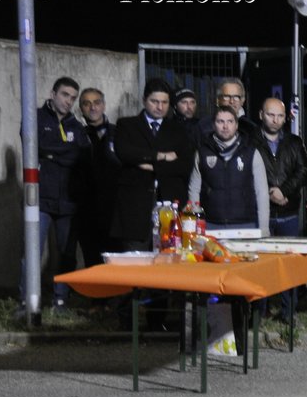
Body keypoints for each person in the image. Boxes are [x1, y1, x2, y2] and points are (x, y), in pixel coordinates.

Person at [110, 79, 194, 250]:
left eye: (164, 102)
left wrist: (153, 166)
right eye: (154, 101)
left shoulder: (177, 130)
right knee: (135, 259)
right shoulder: (127, 125)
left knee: (169, 258)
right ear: (144, 100)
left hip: (169, 203)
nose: (160, 107)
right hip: (135, 206)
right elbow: (125, 153)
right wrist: (160, 155)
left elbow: (184, 165)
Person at [35, 76, 87, 311]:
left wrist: (52, 154)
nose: (69, 101)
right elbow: (36, 146)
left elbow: (80, 156)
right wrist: (63, 153)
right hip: (41, 198)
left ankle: (61, 299)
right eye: (65, 95)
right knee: (33, 251)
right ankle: (29, 299)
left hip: (68, 200)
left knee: (66, 253)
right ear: (53, 93)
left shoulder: (76, 126)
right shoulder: (36, 117)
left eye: (73, 98)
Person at [188, 107, 269, 235]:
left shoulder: (251, 152)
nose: (225, 126)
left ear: (236, 125)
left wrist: (264, 228)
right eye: (220, 122)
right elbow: (194, 189)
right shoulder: (202, 152)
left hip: (245, 224)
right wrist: (195, 223)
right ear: (213, 125)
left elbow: (262, 192)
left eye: (230, 122)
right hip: (211, 223)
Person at [71, 88, 120, 278]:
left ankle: (118, 300)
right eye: (87, 103)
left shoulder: (119, 132)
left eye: (97, 102)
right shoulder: (78, 136)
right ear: (81, 109)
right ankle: (98, 302)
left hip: (114, 206)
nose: (93, 107)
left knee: (115, 255)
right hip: (87, 208)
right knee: (92, 255)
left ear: (104, 105)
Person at [255, 97, 307, 240]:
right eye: (270, 115)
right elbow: (246, 173)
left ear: (285, 118)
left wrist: (283, 191)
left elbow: (304, 171)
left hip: (289, 213)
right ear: (261, 115)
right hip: (260, 213)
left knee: (289, 259)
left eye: (280, 116)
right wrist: (270, 193)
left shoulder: (294, 142)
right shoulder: (251, 142)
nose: (275, 120)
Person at [213, 77, 256, 142]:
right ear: (218, 100)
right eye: (227, 97)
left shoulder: (251, 129)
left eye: (236, 97)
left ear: (242, 101)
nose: (232, 101)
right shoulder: (203, 127)